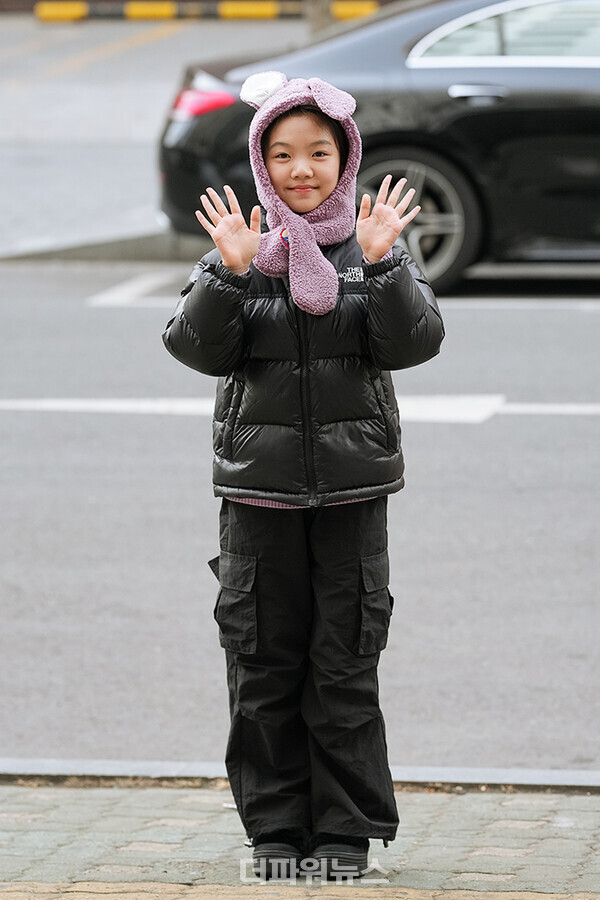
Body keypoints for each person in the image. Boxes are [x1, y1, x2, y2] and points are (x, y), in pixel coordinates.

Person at [163, 70, 444, 882]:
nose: (301, 170)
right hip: (257, 495)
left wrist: (388, 266)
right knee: (262, 664)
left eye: (318, 152)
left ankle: (346, 834)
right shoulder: (242, 247)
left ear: (344, 157)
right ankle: (275, 833)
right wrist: (229, 275)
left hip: (353, 495)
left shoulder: (371, 246)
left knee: (344, 665)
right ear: (261, 161)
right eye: (282, 154)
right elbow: (193, 347)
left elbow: (414, 343)